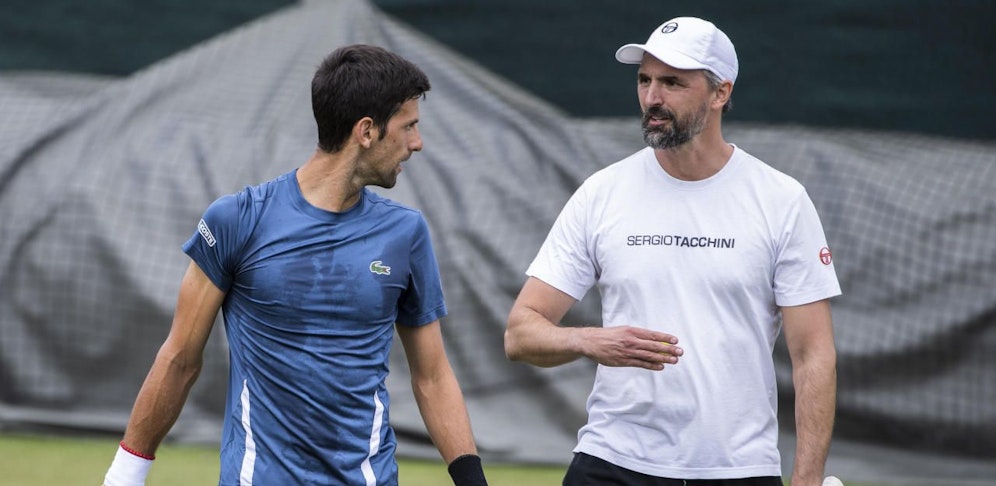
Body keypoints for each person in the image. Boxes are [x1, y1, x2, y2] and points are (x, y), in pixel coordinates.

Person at [103, 44, 488, 486]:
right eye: (409, 126)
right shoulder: (237, 220)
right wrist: (125, 476)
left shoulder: (406, 233)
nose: (416, 143)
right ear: (366, 131)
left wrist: (473, 482)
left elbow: (433, 376)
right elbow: (179, 359)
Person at [504, 17, 841, 486]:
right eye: (644, 79)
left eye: (672, 82)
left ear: (720, 93)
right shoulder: (603, 192)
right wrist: (588, 340)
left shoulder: (781, 200)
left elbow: (814, 356)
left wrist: (806, 481)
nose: (652, 98)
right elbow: (521, 333)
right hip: (610, 463)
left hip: (737, 471)